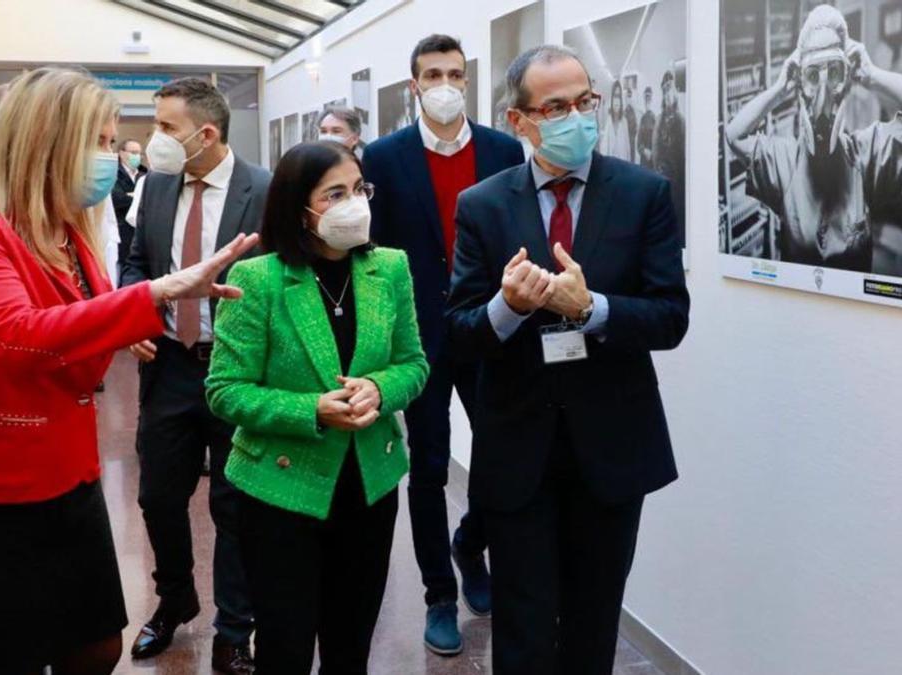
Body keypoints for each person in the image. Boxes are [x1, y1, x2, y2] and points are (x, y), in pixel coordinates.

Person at [0, 66, 257, 675]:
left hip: (70, 475)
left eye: (111, 142)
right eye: (98, 143)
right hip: (7, 488)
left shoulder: (64, 228)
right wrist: (151, 299)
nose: (110, 158)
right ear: (46, 141)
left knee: (97, 646)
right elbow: (9, 334)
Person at [446, 45, 690, 674]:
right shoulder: (483, 204)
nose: (575, 116)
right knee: (522, 623)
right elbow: (460, 331)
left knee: (593, 619)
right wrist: (508, 307)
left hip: (610, 447)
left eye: (585, 101)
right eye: (555, 107)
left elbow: (671, 317)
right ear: (519, 120)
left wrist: (595, 309)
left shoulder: (643, 193)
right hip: (518, 444)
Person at [206, 140, 429, 672]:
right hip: (282, 490)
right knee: (285, 643)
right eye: (335, 194)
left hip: (368, 483)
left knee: (350, 641)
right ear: (298, 206)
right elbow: (225, 389)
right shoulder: (256, 278)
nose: (355, 204)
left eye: (359, 189)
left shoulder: (389, 268)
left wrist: (380, 388)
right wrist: (311, 410)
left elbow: (414, 363)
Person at [361, 32, 524, 656]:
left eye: (455, 73)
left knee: (504, 452)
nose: (445, 85)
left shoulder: (504, 150)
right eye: (433, 75)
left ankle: (471, 545)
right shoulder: (384, 157)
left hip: (493, 328)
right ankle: (438, 594)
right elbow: (371, 252)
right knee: (428, 467)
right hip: (421, 338)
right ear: (414, 86)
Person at [119, 77, 269, 674]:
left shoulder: (262, 188)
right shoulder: (155, 187)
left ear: (205, 134)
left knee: (235, 506)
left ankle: (235, 630)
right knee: (158, 494)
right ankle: (174, 597)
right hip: (170, 365)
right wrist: (133, 314)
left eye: (165, 127)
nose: (155, 140)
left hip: (236, 369)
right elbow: (136, 263)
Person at [725, 5, 902, 271]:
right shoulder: (783, 162)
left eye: (834, 72)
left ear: (846, 80)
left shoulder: (866, 155)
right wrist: (779, 89)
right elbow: (733, 135)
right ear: (800, 83)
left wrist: (873, 76)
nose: (823, 93)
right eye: (812, 75)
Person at [652, 70, 687, 247]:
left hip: (678, 181)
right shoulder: (659, 119)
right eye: (664, 89)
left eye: (670, 88)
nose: (667, 93)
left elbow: (683, 155)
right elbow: (656, 151)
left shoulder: (681, 120)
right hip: (662, 178)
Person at [111, 138, 144, 277]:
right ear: (122, 153)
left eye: (139, 153)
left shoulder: (144, 175)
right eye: (133, 152)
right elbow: (116, 198)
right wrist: (137, 197)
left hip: (138, 235)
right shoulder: (113, 174)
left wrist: (132, 196)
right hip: (121, 232)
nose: (137, 156)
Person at [598, 80, 632, 161]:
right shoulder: (608, 121)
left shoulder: (624, 122)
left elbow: (628, 151)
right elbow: (604, 150)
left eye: (619, 96)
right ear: (611, 99)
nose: (617, 100)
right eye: (615, 96)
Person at [637, 85, 657, 169]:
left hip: (654, 162)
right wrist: (644, 151)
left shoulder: (657, 118)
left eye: (649, 97)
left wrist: (652, 153)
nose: (647, 100)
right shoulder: (642, 119)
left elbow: (659, 143)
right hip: (644, 161)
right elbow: (638, 143)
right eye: (646, 98)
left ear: (652, 99)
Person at [624, 84, 639, 162]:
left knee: (632, 151)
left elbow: (636, 122)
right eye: (628, 96)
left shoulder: (634, 108)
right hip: (625, 135)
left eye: (630, 96)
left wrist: (634, 132)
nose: (629, 98)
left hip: (632, 135)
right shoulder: (624, 109)